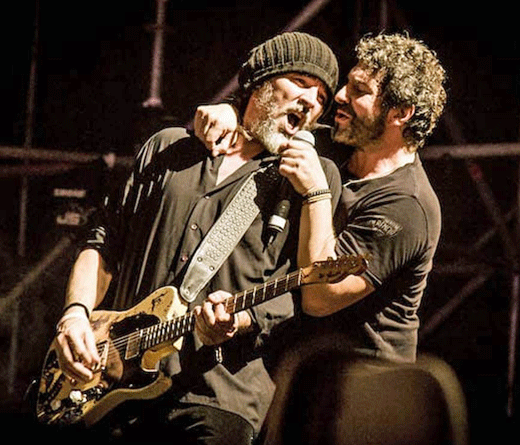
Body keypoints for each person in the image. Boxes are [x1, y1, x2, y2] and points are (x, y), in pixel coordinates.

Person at [49, 32, 341, 444]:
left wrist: (240, 319)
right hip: (114, 380)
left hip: (217, 395)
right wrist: (75, 314)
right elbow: (104, 241)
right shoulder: (169, 147)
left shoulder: (312, 178)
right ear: (260, 82)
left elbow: (306, 286)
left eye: (322, 99)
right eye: (301, 83)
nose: (311, 101)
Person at [194, 32, 447, 365]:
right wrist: (232, 112)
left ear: (400, 112)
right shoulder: (332, 145)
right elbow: (265, 122)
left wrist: (316, 192)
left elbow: (320, 296)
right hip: (298, 368)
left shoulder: (407, 205)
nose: (339, 96)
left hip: (364, 387)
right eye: (346, 84)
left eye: (359, 91)